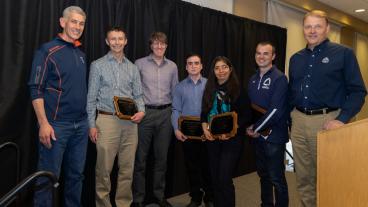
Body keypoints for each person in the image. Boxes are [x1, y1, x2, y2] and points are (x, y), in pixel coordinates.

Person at [288, 10, 367, 207]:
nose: (312, 31)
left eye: (318, 26)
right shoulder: (295, 59)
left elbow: (358, 91)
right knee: (303, 177)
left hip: (327, 122)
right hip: (298, 123)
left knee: (329, 176)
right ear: (303, 29)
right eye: (308, 26)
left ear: (327, 28)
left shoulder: (344, 54)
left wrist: (342, 119)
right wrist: (291, 119)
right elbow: (292, 92)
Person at [28, 6, 88, 207]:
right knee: (47, 178)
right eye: (73, 21)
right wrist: (43, 123)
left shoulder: (81, 53)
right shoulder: (47, 50)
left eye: (81, 23)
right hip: (55, 127)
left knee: (76, 176)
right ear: (63, 22)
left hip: (80, 126)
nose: (77, 27)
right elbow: (36, 88)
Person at [86, 26, 145, 207]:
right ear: (107, 41)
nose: (117, 42)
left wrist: (141, 111)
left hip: (130, 123)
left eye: (120, 39)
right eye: (113, 39)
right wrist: (91, 125)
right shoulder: (97, 65)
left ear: (126, 41)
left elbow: (138, 95)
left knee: (127, 169)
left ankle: (123, 204)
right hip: (106, 120)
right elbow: (91, 98)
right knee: (104, 170)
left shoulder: (133, 68)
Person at [132, 32, 178, 207]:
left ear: (166, 46)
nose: (159, 47)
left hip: (166, 115)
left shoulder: (172, 66)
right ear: (151, 45)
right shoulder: (139, 64)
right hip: (145, 114)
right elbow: (135, 90)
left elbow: (175, 92)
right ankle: (138, 199)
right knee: (140, 159)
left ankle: (159, 196)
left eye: (163, 44)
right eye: (156, 44)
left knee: (161, 159)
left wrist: (175, 116)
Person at [200, 56, 251, 207]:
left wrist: (230, 130)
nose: (221, 71)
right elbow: (204, 112)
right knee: (215, 178)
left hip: (232, 141)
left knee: (224, 178)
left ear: (230, 69)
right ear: (213, 71)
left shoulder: (239, 90)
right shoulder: (209, 88)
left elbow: (246, 116)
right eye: (217, 68)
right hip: (213, 140)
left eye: (224, 67)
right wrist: (204, 126)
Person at [247, 42, 289, 207]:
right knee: (263, 175)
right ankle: (266, 204)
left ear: (273, 56)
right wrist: (250, 126)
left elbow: (275, 110)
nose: (261, 56)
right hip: (258, 137)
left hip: (274, 137)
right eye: (258, 53)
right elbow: (251, 107)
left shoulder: (279, 78)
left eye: (266, 53)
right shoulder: (252, 79)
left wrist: (256, 128)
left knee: (276, 178)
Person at [171, 54, 214, 207]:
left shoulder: (210, 85)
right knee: (192, 167)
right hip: (188, 134)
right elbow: (176, 109)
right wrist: (176, 129)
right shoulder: (180, 87)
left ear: (201, 66)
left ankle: (210, 197)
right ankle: (196, 197)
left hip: (207, 133)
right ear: (186, 67)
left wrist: (210, 128)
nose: (193, 66)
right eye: (190, 63)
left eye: (196, 63)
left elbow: (215, 109)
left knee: (208, 167)